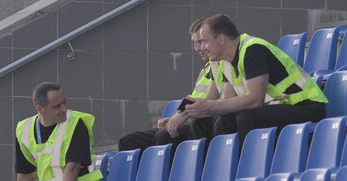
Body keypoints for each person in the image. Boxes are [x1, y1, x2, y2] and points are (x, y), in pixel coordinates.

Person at [184, 15, 328, 144]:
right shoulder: (225, 62)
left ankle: (251, 165)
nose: (200, 47)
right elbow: (227, 102)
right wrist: (193, 111)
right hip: (280, 107)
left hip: (306, 107)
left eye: (204, 41)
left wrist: (209, 106)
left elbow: (254, 100)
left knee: (247, 118)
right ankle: (226, 166)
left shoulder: (253, 49)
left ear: (221, 39)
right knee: (224, 120)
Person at [0, 82, 101, 181]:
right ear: (40, 109)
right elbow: (25, 174)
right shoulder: (24, 129)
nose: (64, 108)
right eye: (57, 106)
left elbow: (73, 168)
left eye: (65, 103)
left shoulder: (76, 123)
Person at [117, 16, 225, 152]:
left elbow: (210, 102)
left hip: (204, 123)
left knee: (165, 135)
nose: (198, 48)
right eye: (195, 43)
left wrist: (181, 116)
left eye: (201, 42)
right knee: (128, 141)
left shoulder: (223, 63)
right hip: (192, 120)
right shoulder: (208, 67)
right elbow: (196, 99)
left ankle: (171, 172)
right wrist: (174, 119)